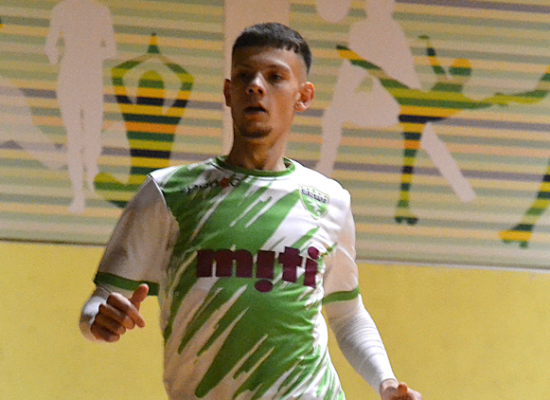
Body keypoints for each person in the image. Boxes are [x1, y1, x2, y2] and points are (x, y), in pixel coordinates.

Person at [79, 22, 422, 400]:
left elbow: (347, 314)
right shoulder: (168, 192)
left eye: (275, 77)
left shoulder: (329, 200)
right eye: (245, 75)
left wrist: (386, 382)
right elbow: (100, 301)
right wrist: (98, 320)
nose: (256, 86)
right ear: (228, 92)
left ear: (303, 96)